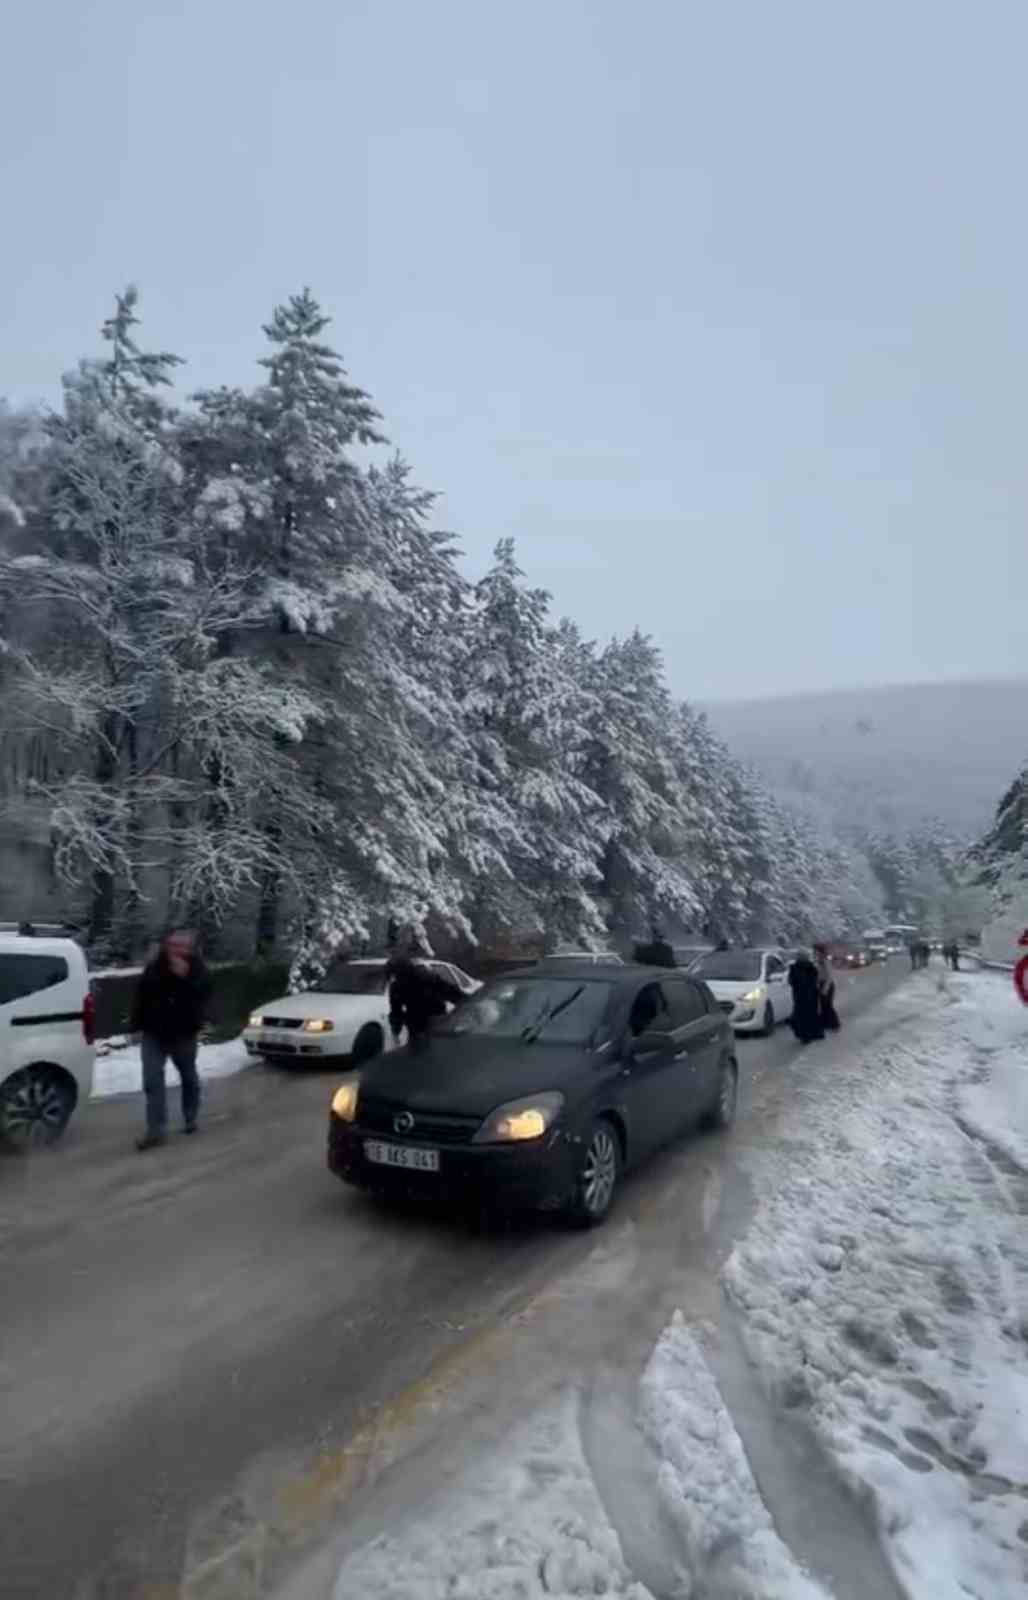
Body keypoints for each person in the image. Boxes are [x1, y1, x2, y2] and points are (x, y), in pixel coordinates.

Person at [131, 929, 211, 1151]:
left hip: (183, 1034)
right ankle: (156, 1131)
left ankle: (190, 1116)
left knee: (188, 1076)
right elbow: (141, 996)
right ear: (167, 945)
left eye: (183, 946)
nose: (178, 950)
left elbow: (204, 995)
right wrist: (135, 1026)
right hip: (154, 1033)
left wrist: (186, 979)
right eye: (173, 945)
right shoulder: (154, 967)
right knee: (152, 1080)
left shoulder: (197, 969)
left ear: (190, 948)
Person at [387, 945, 463, 1050]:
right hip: (435, 1020)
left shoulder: (398, 985)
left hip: (421, 1023)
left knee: (422, 1052)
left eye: (394, 974)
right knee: (437, 1049)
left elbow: (396, 1012)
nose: (393, 977)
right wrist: (464, 1004)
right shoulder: (427, 977)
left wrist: (396, 1030)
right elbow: (452, 992)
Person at [788, 949, 824, 1043]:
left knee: (804, 1016)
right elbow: (793, 981)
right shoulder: (803, 967)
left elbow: (792, 981)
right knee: (807, 1015)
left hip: (804, 995)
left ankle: (806, 1035)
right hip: (806, 995)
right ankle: (810, 1034)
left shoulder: (802, 967)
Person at [813, 942, 841, 1032]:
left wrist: (825, 988)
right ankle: (826, 1023)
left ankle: (835, 1024)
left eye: (816, 952)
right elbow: (818, 975)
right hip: (822, 984)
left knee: (828, 1005)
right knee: (823, 1005)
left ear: (820, 952)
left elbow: (829, 976)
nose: (815, 954)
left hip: (828, 985)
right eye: (815, 952)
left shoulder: (825, 961)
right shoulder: (818, 961)